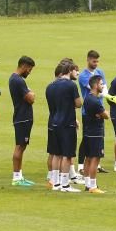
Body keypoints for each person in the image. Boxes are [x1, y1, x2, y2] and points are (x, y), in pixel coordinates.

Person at [46, 60, 83, 192]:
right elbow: (78, 104)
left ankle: (55, 183)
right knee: (67, 155)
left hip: (53, 123)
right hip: (67, 123)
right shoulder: (71, 85)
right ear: (69, 71)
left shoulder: (50, 86)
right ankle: (65, 184)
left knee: (56, 154)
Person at [76, 50, 107, 178]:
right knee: (87, 139)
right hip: (88, 111)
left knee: (99, 137)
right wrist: (106, 95)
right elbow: (96, 90)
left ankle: (96, 165)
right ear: (88, 60)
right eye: (94, 61)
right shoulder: (83, 75)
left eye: (97, 61)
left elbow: (103, 88)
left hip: (99, 108)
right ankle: (81, 166)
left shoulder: (100, 72)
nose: (96, 63)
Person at [8, 56, 36, 187]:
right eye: (29, 69)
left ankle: (19, 176)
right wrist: (31, 93)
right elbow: (30, 98)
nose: (29, 72)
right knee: (20, 146)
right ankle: (16, 177)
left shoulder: (16, 79)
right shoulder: (18, 80)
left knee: (22, 146)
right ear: (24, 66)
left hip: (22, 116)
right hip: (22, 117)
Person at [81, 74, 110, 193]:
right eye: (101, 84)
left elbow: (102, 114)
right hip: (96, 133)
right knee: (95, 159)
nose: (103, 86)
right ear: (96, 85)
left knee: (88, 158)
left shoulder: (88, 98)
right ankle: (93, 186)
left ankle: (88, 184)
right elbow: (106, 116)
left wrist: (101, 113)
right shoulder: (96, 101)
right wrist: (104, 113)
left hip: (88, 132)